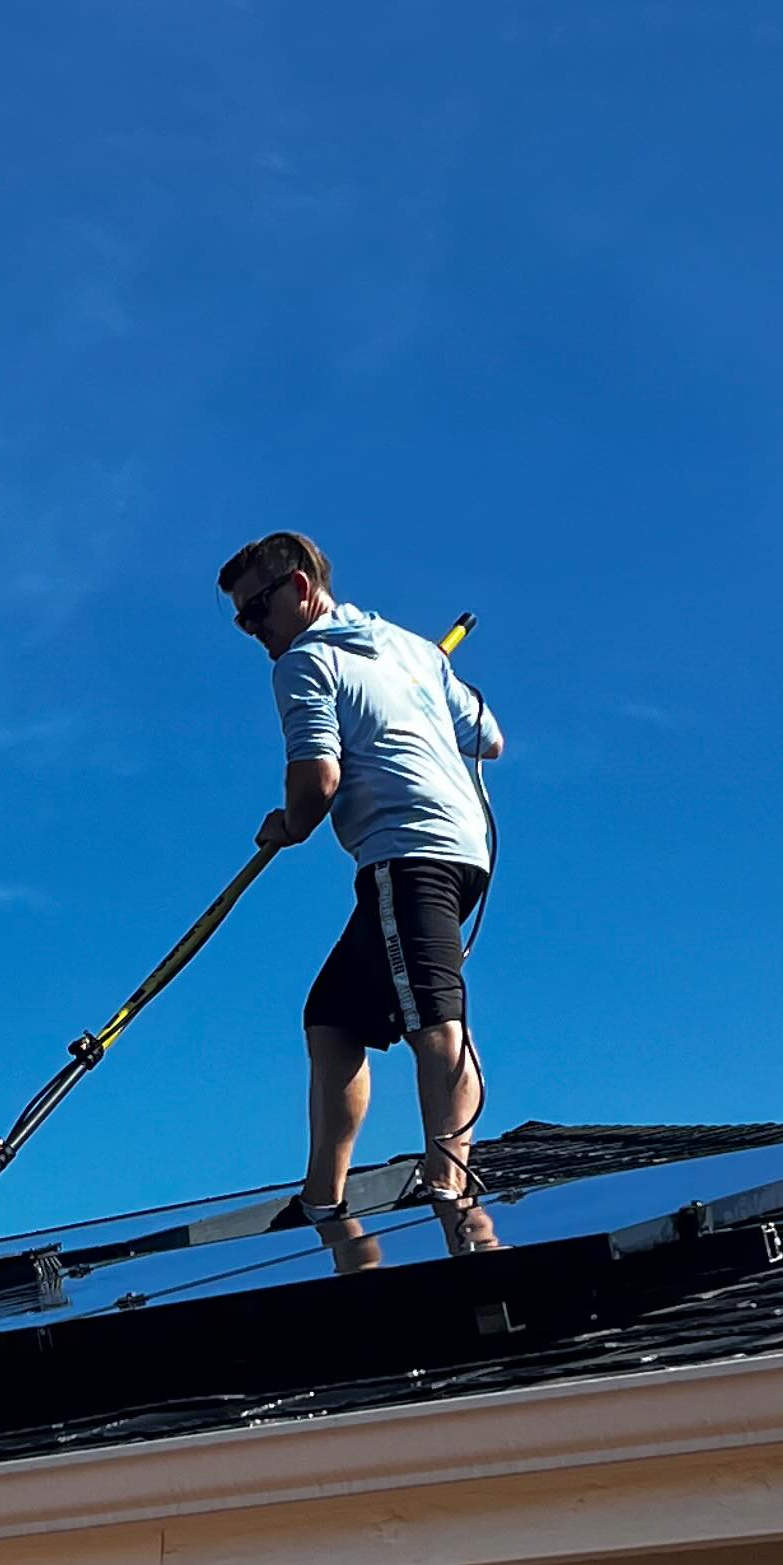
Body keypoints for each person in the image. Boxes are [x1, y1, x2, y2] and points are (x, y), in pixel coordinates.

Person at [219, 531, 502, 1260]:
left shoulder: (305, 662)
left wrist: (288, 825)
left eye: (257, 610)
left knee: (432, 1015)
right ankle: (321, 1199)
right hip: (459, 849)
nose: (252, 630)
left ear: (300, 587)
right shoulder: (411, 650)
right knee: (334, 1017)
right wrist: (424, 685)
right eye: (241, 619)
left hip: (408, 850)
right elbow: (488, 738)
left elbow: (317, 781)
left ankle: (450, 1186)